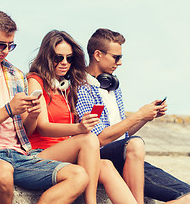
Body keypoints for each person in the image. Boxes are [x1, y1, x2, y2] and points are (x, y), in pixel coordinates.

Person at [0, 11, 90, 204]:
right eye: (1, 45)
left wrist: (33, 115)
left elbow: (26, 131)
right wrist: (8, 110)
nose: (6, 51)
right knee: (4, 174)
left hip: (21, 154)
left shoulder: (16, 75)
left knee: (79, 175)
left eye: (11, 46)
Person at [76, 28, 190, 203]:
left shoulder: (113, 86)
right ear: (98, 55)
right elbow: (99, 139)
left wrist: (145, 117)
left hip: (126, 155)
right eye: (116, 57)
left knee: (187, 194)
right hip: (101, 156)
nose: (120, 63)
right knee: (135, 143)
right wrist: (138, 115)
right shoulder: (83, 87)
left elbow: (123, 133)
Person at [27, 30, 138, 204]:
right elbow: (42, 125)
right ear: (47, 57)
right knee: (88, 139)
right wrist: (79, 128)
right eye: (58, 57)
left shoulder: (68, 89)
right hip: (40, 153)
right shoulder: (36, 80)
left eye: (69, 58)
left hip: (68, 155)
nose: (64, 63)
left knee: (106, 165)